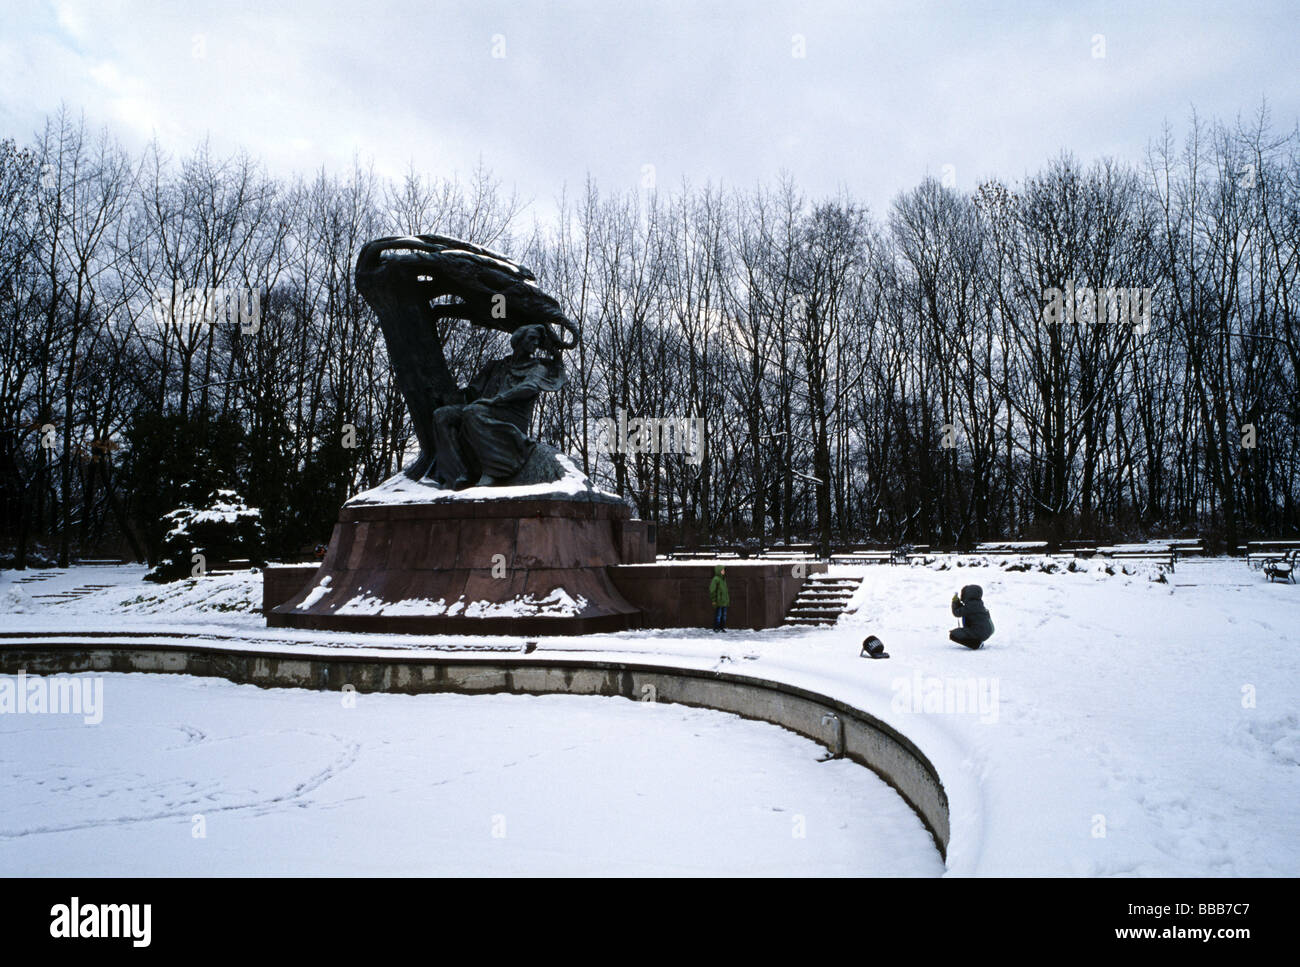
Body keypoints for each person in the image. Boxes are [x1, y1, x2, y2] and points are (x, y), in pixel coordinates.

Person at [949, 584, 993, 649]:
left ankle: (976, 644)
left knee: (953, 634)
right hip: (986, 630)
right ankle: (976, 642)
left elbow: (957, 613)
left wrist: (955, 602)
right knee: (960, 632)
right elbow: (965, 610)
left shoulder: (971, 605)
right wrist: (958, 603)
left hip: (980, 631)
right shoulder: (977, 604)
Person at [709, 564, 730, 632]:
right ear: (718, 571)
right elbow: (712, 590)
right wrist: (714, 600)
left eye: (724, 570)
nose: (724, 571)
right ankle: (716, 628)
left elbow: (725, 591)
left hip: (724, 601)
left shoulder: (723, 579)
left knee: (724, 615)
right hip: (719, 601)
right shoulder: (716, 579)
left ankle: (722, 627)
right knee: (718, 615)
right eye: (722, 570)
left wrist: (727, 600)